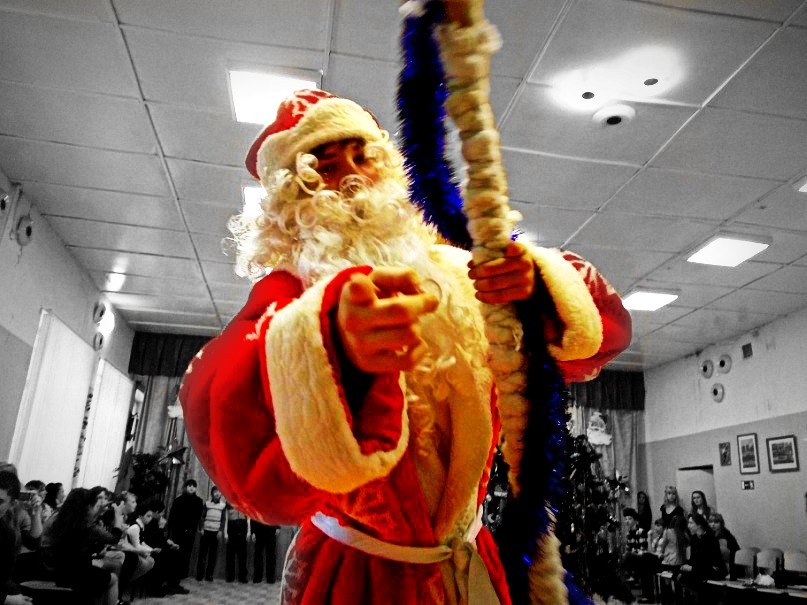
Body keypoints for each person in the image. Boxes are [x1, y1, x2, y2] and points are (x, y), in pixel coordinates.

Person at [41, 488, 119, 605]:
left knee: (101, 574)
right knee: (112, 578)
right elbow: (113, 538)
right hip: (69, 572)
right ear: (87, 506)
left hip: (53, 565)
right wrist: (117, 515)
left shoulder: (58, 517)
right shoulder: (83, 525)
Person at [142, 500, 189, 596]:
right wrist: (161, 528)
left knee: (178, 554)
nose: (162, 515)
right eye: (162, 512)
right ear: (156, 512)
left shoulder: (155, 521)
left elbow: (159, 538)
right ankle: (157, 588)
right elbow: (154, 540)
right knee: (170, 555)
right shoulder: (149, 521)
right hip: (150, 549)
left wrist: (168, 542)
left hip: (156, 547)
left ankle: (173, 585)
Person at [677, 513, 726, 604]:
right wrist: (687, 565)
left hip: (712, 568)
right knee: (678, 573)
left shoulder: (710, 538)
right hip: (700, 568)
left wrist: (692, 568)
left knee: (689, 577)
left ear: (699, 525)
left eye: (691, 523)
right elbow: (694, 558)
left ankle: (703, 598)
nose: (688, 526)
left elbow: (709, 561)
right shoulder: (694, 538)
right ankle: (699, 597)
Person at [0, 471, 33, 605]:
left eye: (0, 502)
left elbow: (3, 577)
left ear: (12, 504)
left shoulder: (6, 534)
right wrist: (6, 599)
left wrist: (18, 596)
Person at [167, 479, 203, 579]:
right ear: (185, 487)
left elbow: (198, 517)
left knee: (187, 552)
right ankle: (173, 574)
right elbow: (172, 516)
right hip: (178, 530)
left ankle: (183, 573)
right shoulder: (178, 500)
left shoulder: (199, 501)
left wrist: (195, 529)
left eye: (194, 486)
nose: (192, 488)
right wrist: (171, 530)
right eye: (189, 486)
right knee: (176, 551)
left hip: (191, 530)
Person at [196, 487, 225, 582]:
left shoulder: (223, 506)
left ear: (221, 494)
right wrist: (202, 528)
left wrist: (220, 531)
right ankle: (199, 575)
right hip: (206, 531)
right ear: (212, 493)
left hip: (216, 532)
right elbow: (201, 517)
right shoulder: (207, 504)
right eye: (215, 492)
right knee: (202, 554)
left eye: (219, 492)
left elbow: (223, 520)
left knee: (213, 555)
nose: (217, 493)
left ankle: (209, 575)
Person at [223, 502, 249, 583]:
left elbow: (248, 519)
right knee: (230, 555)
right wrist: (225, 533)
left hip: (242, 531)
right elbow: (226, 519)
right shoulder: (229, 502)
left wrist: (249, 532)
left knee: (242, 555)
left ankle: (243, 577)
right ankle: (230, 576)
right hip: (231, 530)